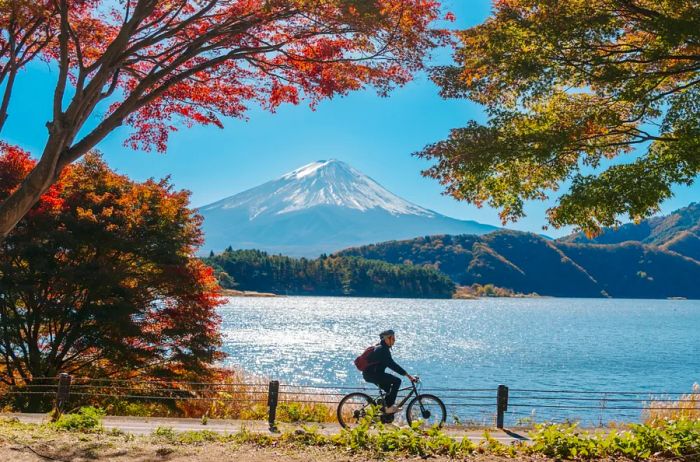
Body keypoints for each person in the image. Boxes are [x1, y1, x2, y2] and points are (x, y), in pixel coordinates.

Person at [362, 329, 417, 414]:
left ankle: (381, 408)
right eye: (393, 338)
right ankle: (388, 407)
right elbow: (392, 365)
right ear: (387, 339)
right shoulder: (383, 350)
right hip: (373, 374)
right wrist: (408, 375)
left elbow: (389, 364)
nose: (394, 340)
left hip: (372, 374)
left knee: (389, 390)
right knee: (397, 381)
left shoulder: (381, 347)